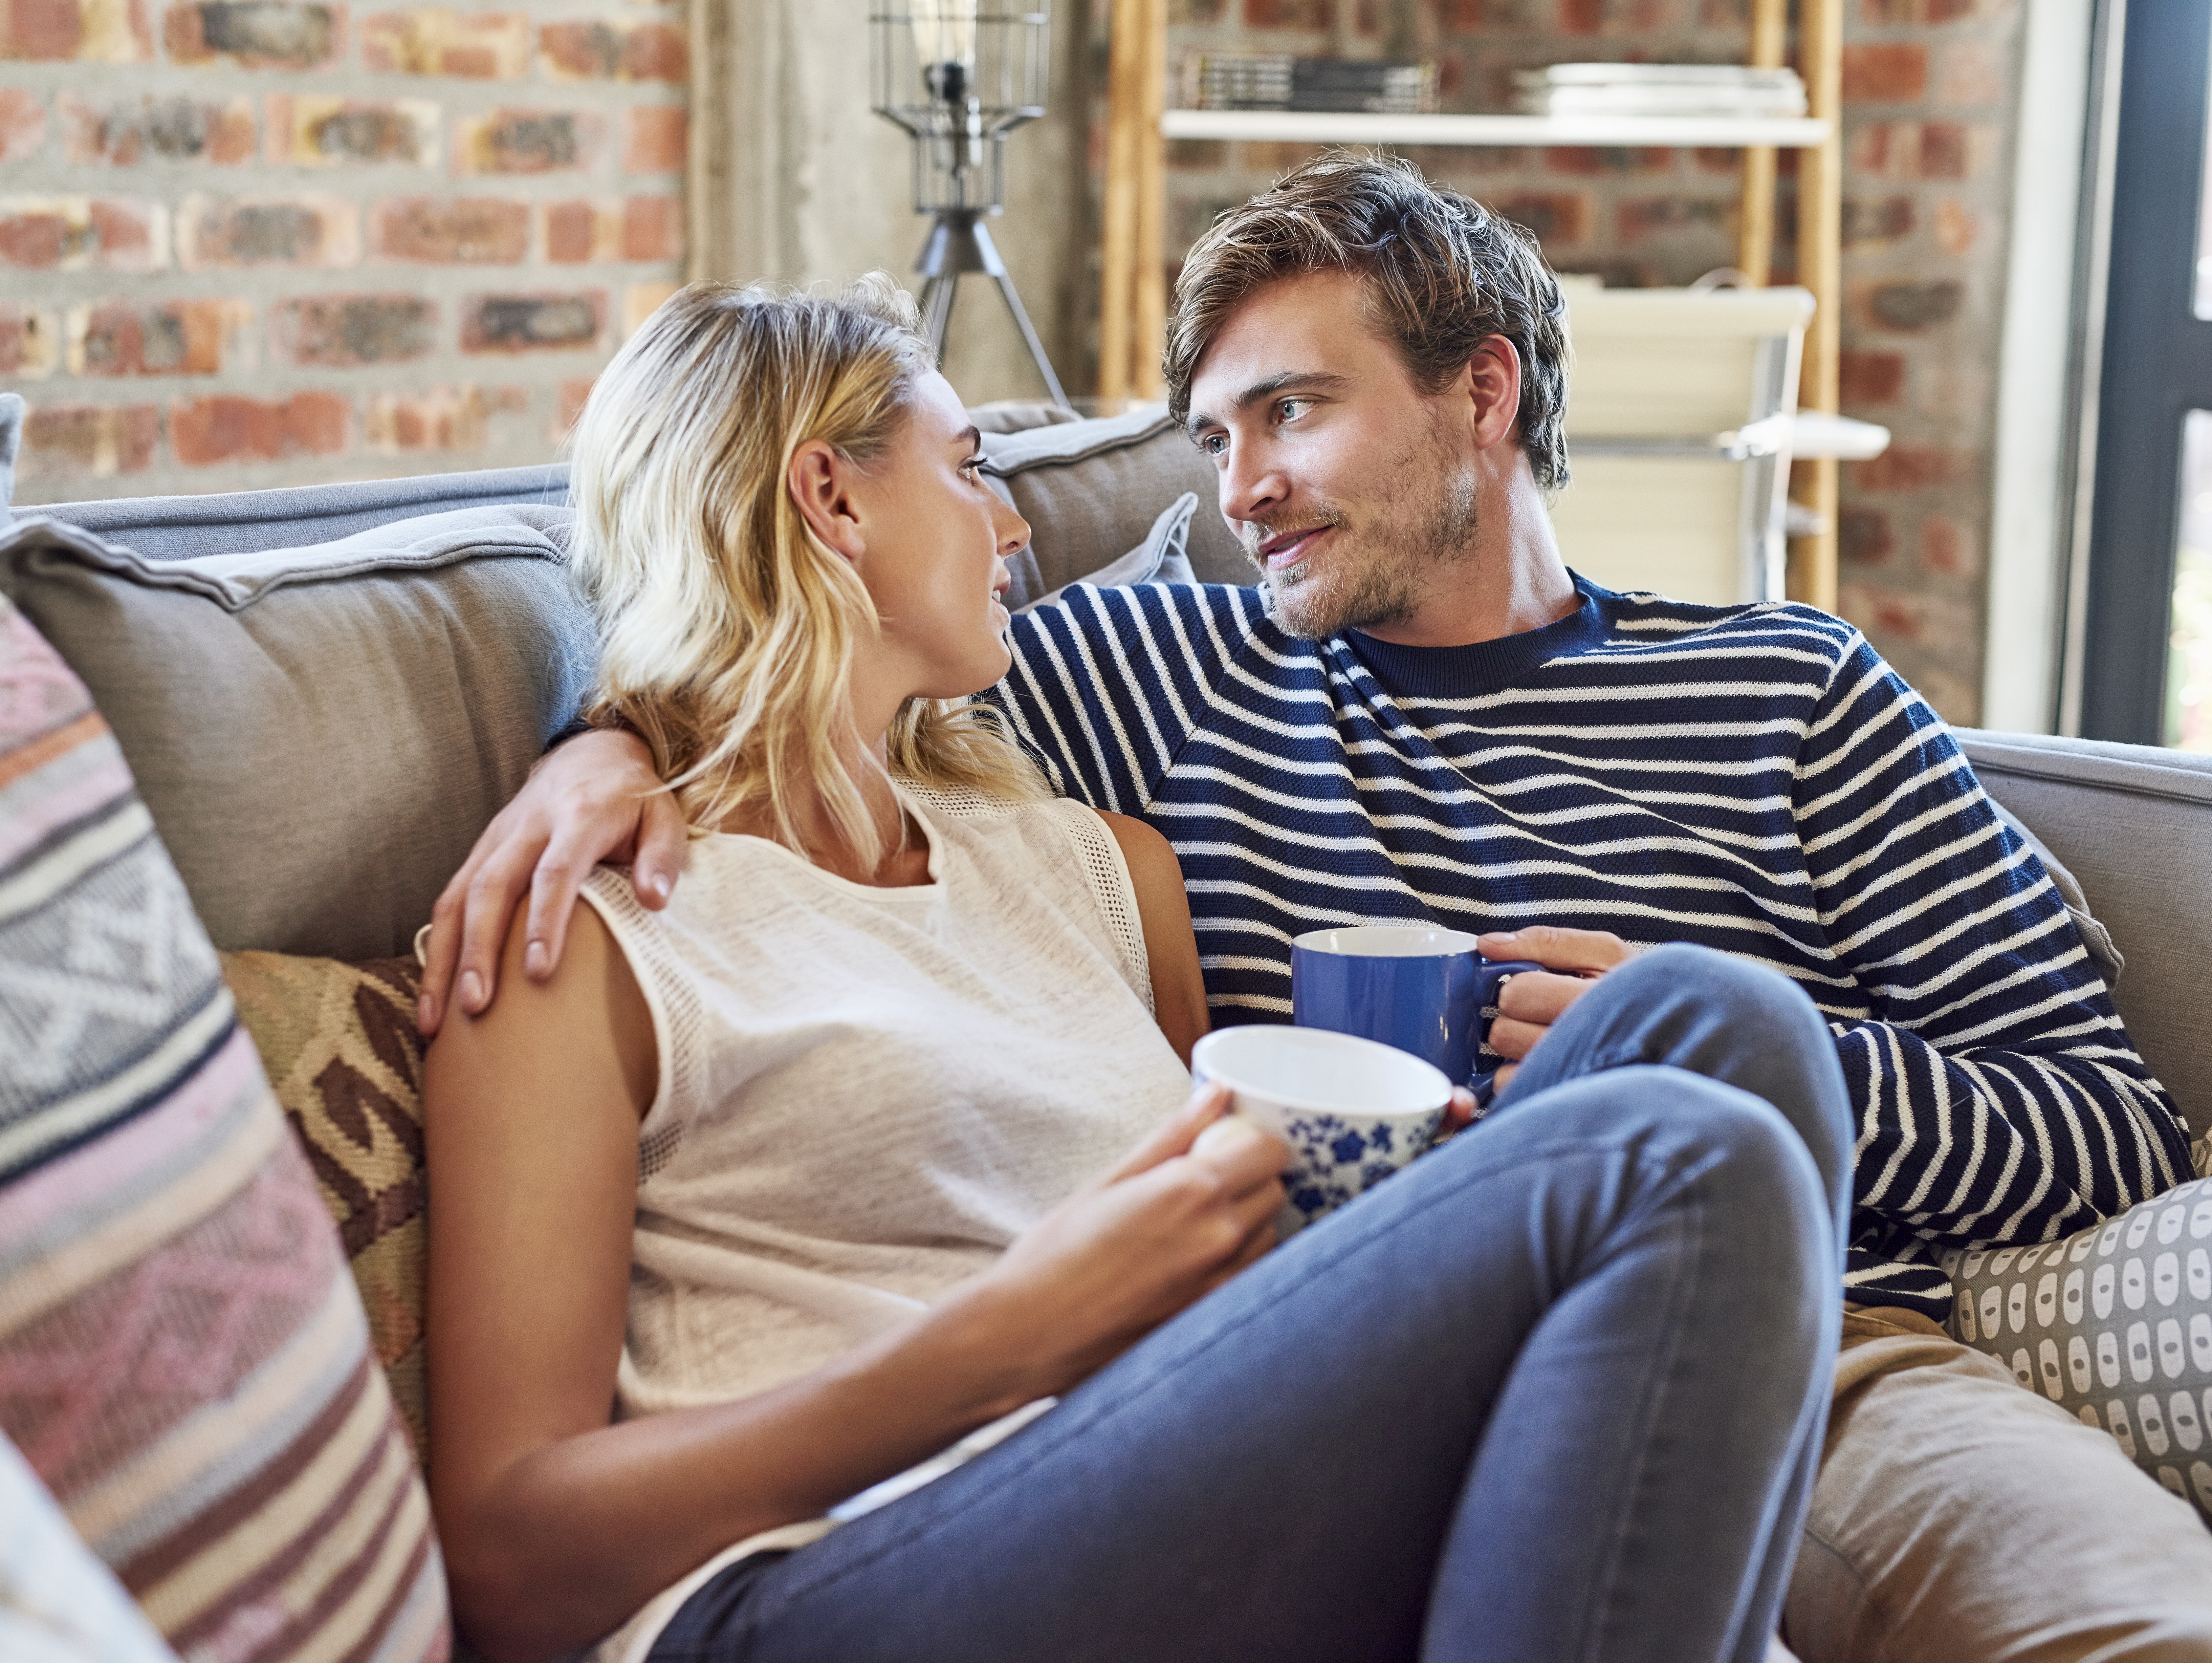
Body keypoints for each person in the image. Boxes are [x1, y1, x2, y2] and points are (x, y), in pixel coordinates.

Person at [423, 156, 2212, 1661]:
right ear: (833, 492)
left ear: (1483, 394)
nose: (1233, 485)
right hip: (1227, 1406)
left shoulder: (1788, 688)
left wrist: (1749, 1038)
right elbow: (765, 693)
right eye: (1215, 434)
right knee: (1689, 1139)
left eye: (1294, 409)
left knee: (1723, 1036)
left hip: (1825, 1322)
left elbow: (2116, 1129)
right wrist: (601, 747)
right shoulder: (1167, 673)